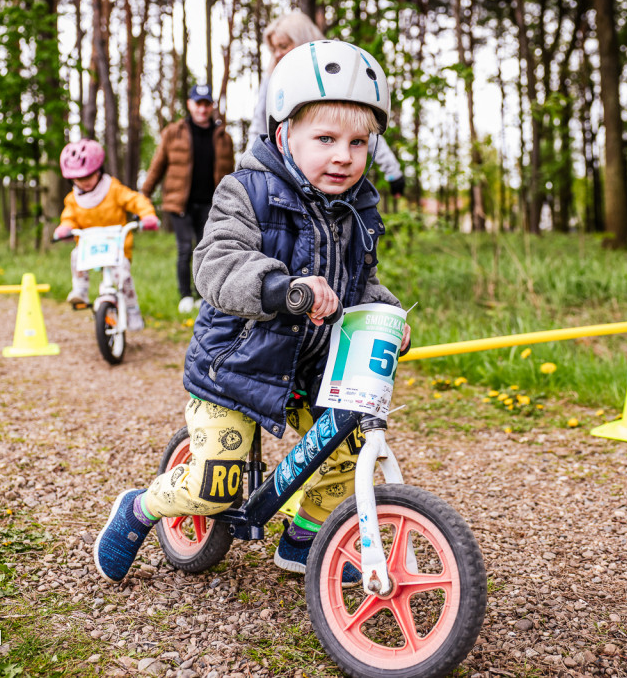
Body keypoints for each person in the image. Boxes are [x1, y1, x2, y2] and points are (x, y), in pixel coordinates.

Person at [93, 41, 412, 584]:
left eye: (359, 143)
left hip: (313, 369)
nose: (344, 156)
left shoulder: (359, 207)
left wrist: (387, 315)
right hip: (236, 367)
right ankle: (142, 507)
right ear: (285, 135)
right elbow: (217, 265)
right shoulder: (245, 191)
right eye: (327, 139)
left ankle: (302, 539)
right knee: (213, 487)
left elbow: (364, 284)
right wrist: (286, 289)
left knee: (348, 448)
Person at [247, 11, 406, 199]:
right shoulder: (273, 78)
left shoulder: (335, 72)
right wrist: (249, 171)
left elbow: (359, 127)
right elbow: (258, 125)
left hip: (329, 187)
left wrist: (392, 171)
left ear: (302, 38)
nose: (278, 54)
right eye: (273, 49)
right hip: (281, 180)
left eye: (283, 46)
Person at [141, 84, 236, 314]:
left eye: (206, 104)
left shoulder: (224, 137)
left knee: (207, 250)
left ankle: (204, 295)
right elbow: (157, 167)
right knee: (185, 249)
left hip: (211, 205)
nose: (202, 109)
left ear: (211, 106)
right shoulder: (173, 132)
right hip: (180, 203)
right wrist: (142, 197)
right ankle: (185, 296)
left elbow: (232, 173)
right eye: (198, 103)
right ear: (189, 105)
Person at [55, 138, 159, 332]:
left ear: (99, 170)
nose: (84, 182)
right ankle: (80, 291)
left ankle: (132, 309)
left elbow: (135, 200)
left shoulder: (112, 189)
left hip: (116, 247)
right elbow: (69, 218)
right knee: (76, 255)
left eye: (88, 176)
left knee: (123, 276)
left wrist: (147, 215)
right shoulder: (72, 199)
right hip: (90, 247)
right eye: (79, 178)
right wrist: (65, 229)